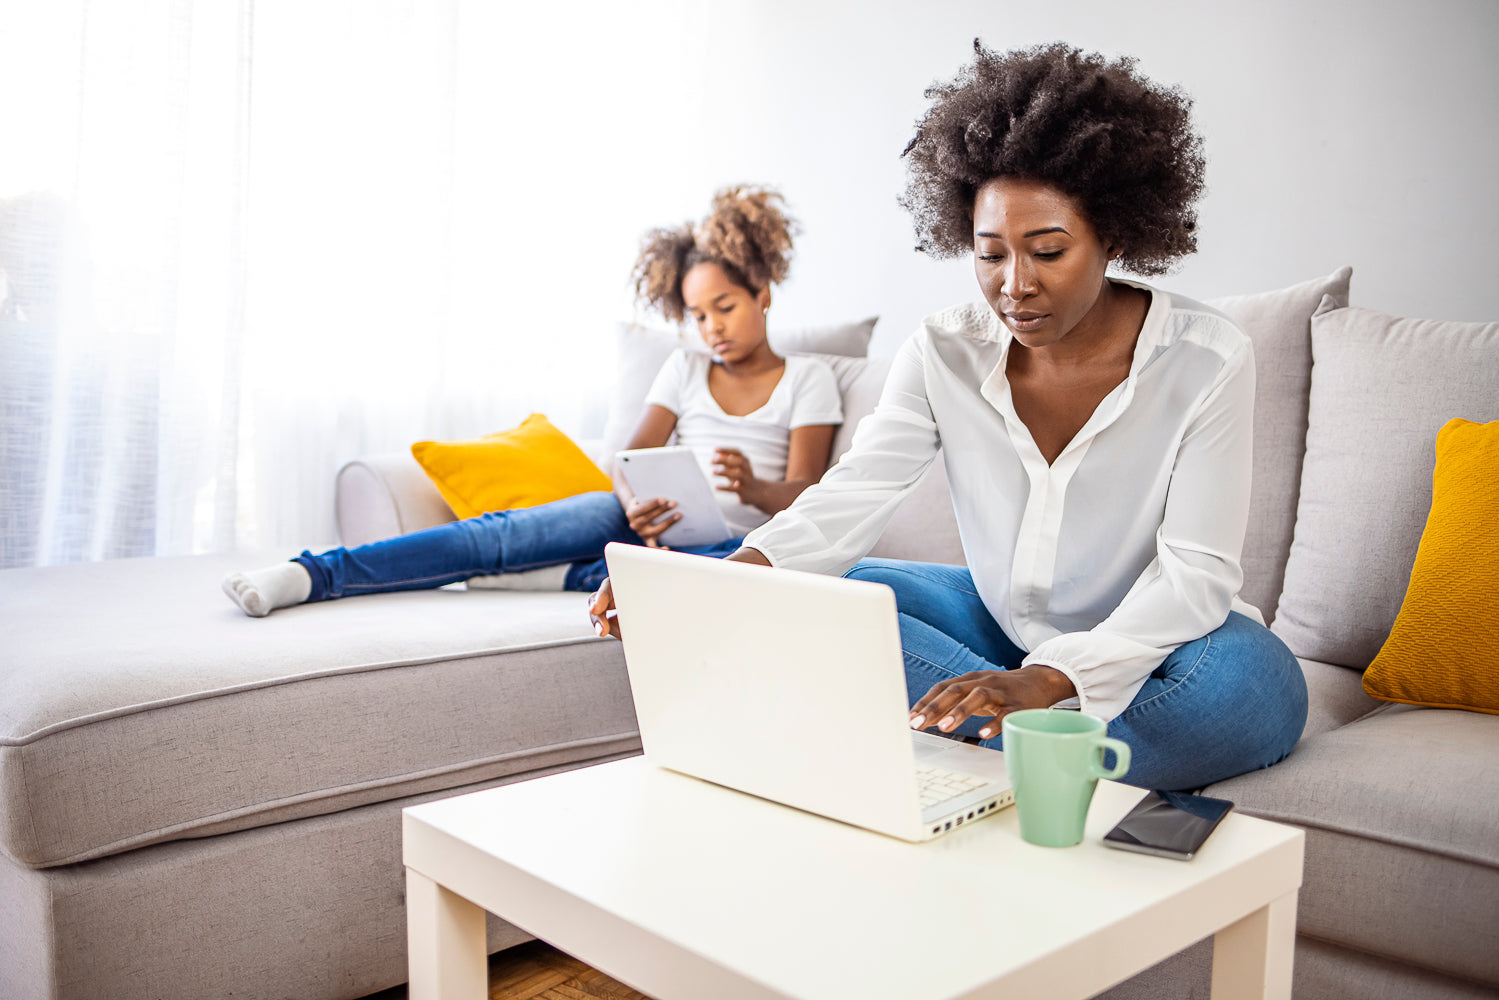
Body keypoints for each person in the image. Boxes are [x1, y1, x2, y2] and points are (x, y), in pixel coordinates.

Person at [591, 43, 1308, 792]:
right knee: (824, 595)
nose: (1014, 286)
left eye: (1048, 251)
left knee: (1254, 689)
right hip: (997, 621)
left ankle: (976, 725)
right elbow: (855, 491)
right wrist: (714, 588)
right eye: (989, 253)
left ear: (1115, 237)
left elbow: (1195, 576)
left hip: (1166, 642)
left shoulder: (1206, 359)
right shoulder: (943, 349)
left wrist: (1053, 678)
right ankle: (1034, 742)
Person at [223, 186, 842, 617]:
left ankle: (568, 575)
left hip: (731, 549)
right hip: (635, 523)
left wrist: (756, 488)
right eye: (699, 314)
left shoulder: (807, 378)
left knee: (685, 586)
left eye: (725, 308)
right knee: (497, 535)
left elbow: (808, 493)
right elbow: (628, 459)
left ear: (762, 292)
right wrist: (638, 506)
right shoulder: (683, 368)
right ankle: (314, 573)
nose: (712, 328)